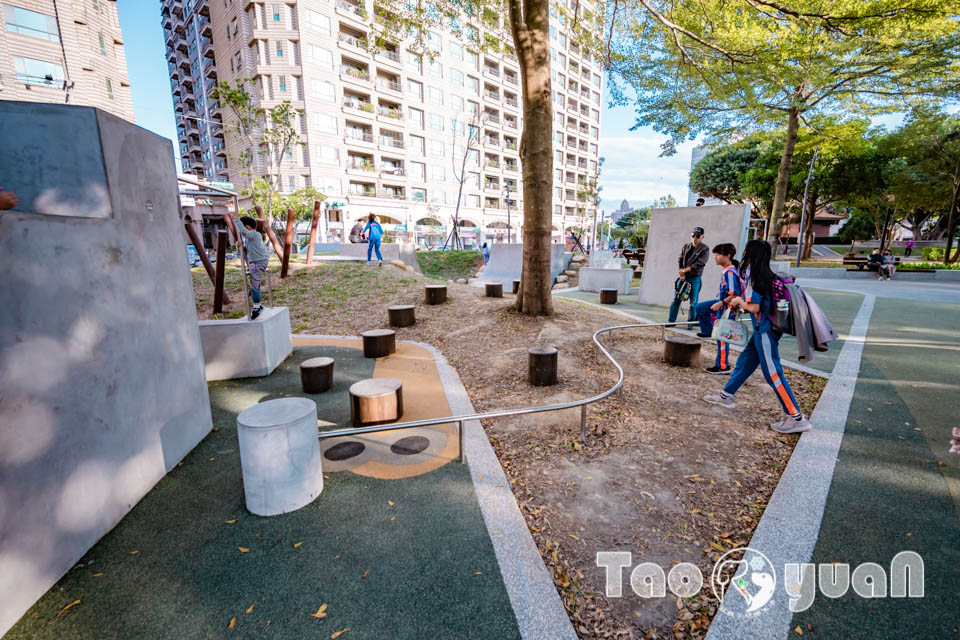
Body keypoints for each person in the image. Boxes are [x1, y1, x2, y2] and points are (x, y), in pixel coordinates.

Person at [703, 240, 811, 434]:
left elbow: (753, 307)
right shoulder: (766, 275)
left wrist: (737, 301)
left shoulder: (753, 277)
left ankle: (796, 417)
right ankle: (726, 395)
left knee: (773, 373)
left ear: (749, 254)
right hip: (765, 329)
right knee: (745, 362)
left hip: (765, 331)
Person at [694, 243, 742, 374]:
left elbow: (734, 293)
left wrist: (720, 303)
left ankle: (722, 366)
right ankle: (709, 331)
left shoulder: (730, 272)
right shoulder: (726, 271)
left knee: (722, 338)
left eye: (718, 255)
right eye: (715, 255)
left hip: (728, 308)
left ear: (728, 256)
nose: (715, 257)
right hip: (721, 304)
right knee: (700, 308)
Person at [668, 226, 710, 325]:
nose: (695, 238)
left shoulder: (705, 248)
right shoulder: (686, 246)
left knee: (693, 303)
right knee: (676, 299)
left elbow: (700, 263)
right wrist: (681, 272)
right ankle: (671, 321)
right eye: (693, 235)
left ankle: (690, 323)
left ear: (702, 237)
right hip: (683, 277)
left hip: (695, 278)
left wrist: (684, 271)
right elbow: (680, 259)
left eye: (697, 236)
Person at [237, 216, 270, 320]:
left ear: (247, 227)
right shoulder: (254, 237)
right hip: (258, 262)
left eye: (243, 227)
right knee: (255, 283)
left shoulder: (254, 234)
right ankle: (257, 305)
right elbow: (250, 249)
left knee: (254, 285)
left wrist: (237, 220)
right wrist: (241, 246)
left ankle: (257, 306)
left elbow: (244, 232)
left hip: (258, 263)